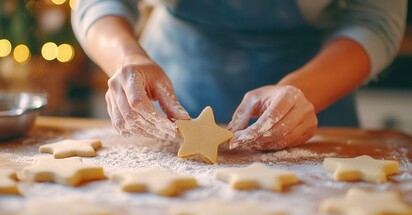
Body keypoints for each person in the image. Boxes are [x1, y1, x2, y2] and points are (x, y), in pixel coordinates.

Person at [72, 0, 406, 150]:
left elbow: (375, 19)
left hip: (313, 93)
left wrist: (302, 90)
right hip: (170, 81)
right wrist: (126, 56)